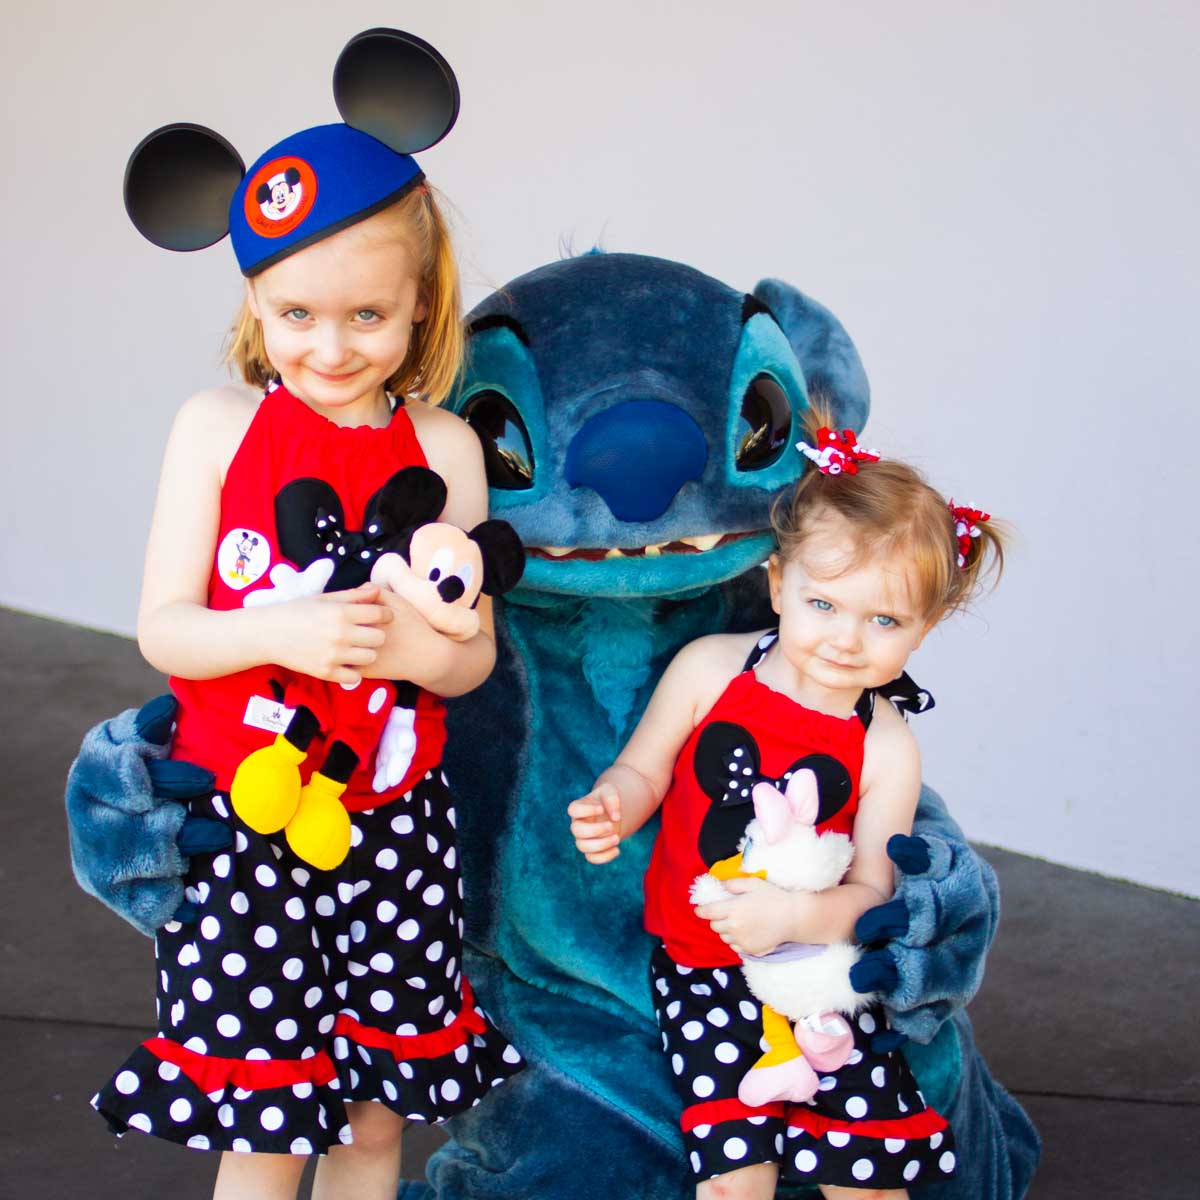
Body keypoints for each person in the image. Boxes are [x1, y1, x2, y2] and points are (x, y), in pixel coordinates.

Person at [90, 30, 522, 1200]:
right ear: (255, 299)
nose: (330, 348)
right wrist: (281, 633)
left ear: (421, 302)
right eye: (296, 315)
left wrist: (416, 639)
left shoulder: (442, 446)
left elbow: (472, 662)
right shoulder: (216, 427)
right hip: (253, 825)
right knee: (269, 1116)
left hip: (394, 833)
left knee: (373, 1124)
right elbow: (167, 630)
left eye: (369, 318)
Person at [569, 415, 1005, 1198]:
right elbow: (645, 769)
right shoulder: (710, 668)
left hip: (821, 969)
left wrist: (794, 922)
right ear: (778, 584)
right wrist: (614, 805)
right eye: (826, 605)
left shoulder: (886, 745)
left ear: (925, 627)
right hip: (702, 968)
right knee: (735, 1171)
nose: (847, 639)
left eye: (885, 621)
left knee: (867, 1166)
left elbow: (874, 895)